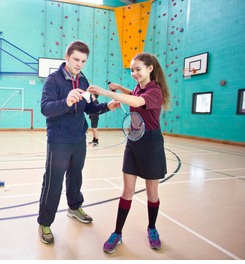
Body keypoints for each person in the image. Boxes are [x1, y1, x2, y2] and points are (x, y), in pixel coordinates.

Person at [38, 40, 120, 244]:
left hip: (78, 139)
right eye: (76, 59)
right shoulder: (53, 80)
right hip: (59, 140)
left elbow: (87, 108)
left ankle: (74, 208)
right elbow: (46, 108)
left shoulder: (83, 80)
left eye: (83, 61)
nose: (79, 64)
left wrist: (107, 106)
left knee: (75, 177)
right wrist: (66, 101)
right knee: (53, 182)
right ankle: (45, 222)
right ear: (67, 57)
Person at [88, 52, 171, 253]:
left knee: (152, 193)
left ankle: (152, 229)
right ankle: (117, 233)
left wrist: (107, 93)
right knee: (127, 191)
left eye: (137, 69)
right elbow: (134, 96)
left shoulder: (155, 91)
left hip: (151, 144)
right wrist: (120, 88)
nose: (134, 73)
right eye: (132, 70)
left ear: (150, 69)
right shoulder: (138, 88)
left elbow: (137, 102)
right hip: (134, 142)